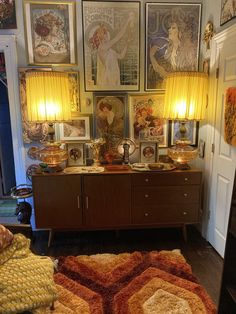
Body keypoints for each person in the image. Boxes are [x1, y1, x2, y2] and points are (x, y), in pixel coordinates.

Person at [149, 15, 197, 88]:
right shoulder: (168, 49)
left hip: (182, 86)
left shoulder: (187, 51)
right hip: (170, 85)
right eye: (169, 28)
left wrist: (152, 56)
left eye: (173, 28)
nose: (169, 30)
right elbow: (160, 70)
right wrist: (151, 55)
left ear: (180, 32)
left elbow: (190, 72)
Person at [89, 12, 135, 86]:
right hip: (108, 79)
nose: (107, 35)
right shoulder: (102, 48)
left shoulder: (110, 51)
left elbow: (121, 56)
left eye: (106, 33)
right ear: (102, 37)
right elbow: (118, 37)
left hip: (114, 76)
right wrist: (128, 21)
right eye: (105, 33)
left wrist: (127, 44)